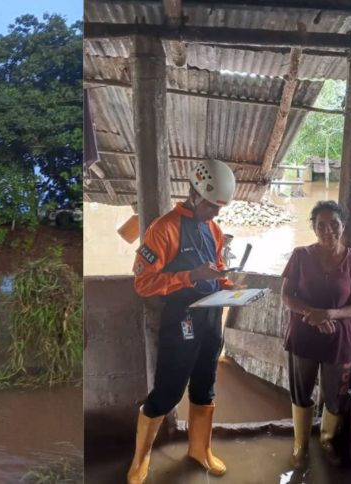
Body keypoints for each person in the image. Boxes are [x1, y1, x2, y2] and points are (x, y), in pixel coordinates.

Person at [127, 159, 237, 483]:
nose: (215, 214)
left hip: (212, 319)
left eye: (219, 208)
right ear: (192, 192)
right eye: (210, 206)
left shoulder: (214, 230)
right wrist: (190, 276)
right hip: (182, 320)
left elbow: (216, 269)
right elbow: (143, 282)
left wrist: (231, 286)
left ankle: (200, 450)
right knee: (167, 392)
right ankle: (141, 459)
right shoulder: (164, 228)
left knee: (206, 388)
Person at [281, 201, 351, 467]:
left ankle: (327, 440)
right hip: (303, 335)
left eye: (334, 224)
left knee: (334, 395)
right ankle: (301, 445)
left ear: (343, 226)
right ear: (313, 227)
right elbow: (286, 296)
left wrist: (329, 314)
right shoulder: (300, 255)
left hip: (339, 338)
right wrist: (312, 315)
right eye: (321, 225)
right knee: (301, 392)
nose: (328, 230)